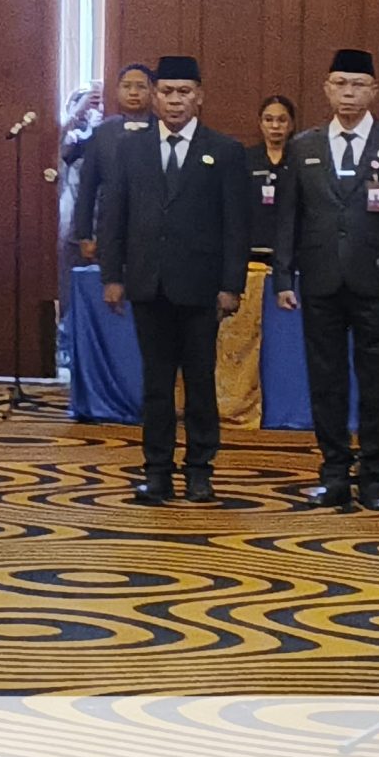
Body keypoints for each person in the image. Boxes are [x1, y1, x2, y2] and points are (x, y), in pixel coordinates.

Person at [274, 49, 379, 515]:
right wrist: (283, 276)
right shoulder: (304, 146)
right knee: (326, 380)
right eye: (340, 84)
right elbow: (288, 219)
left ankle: (374, 475)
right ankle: (334, 473)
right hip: (320, 280)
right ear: (326, 88)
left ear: (374, 92)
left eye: (358, 85)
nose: (348, 93)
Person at [96, 56, 247, 504]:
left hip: (201, 288)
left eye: (184, 92)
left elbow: (236, 226)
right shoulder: (131, 149)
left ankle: (199, 470)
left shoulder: (224, 151)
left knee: (200, 382)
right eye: (166, 92)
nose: (175, 100)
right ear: (155, 96)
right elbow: (113, 216)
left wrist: (231, 285)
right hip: (148, 284)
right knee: (156, 385)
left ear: (199, 96)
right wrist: (112, 275)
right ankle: (157, 471)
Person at [66, 64, 155, 264]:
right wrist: (84, 234)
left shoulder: (164, 131)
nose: (133, 92)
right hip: (110, 231)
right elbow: (87, 187)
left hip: (153, 235)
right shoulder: (103, 133)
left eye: (141, 86)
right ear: (117, 91)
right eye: (126, 86)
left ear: (153, 91)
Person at [245, 97, 297, 265]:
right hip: (253, 248)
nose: (275, 126)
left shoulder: (300, 159)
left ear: (291, 124)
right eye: (268, 120)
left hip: (293, 249)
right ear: (260, 124)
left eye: (282, 120)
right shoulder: (246, 159)